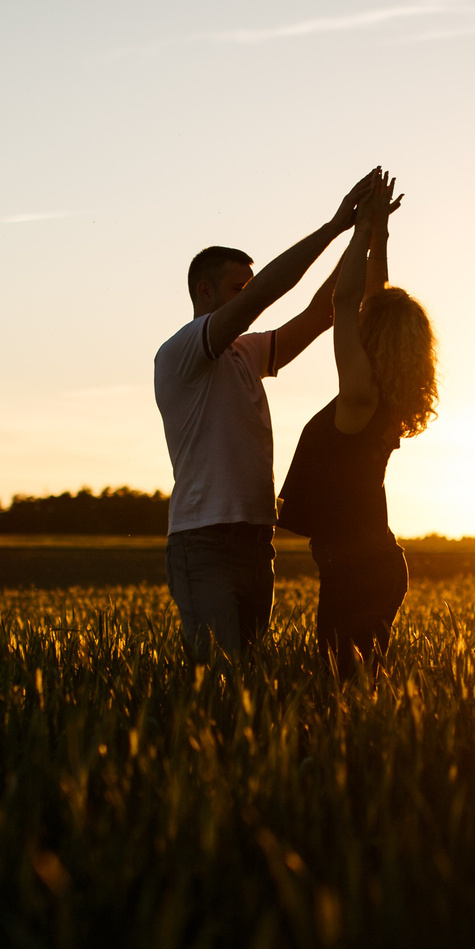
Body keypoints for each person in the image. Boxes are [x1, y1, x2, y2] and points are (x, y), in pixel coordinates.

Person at [153, 167, 387, 664]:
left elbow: (325, 311)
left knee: (250, 681)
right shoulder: (183, 353)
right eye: (239, 288)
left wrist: (368, 232)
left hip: (257, 543)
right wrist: (334, 225)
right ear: (205, 292)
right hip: (205, 543)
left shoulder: (247, 353)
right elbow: (272, 294)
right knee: (217, 681)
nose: (250, 295)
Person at [276, 169, 434, 677]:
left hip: (359, 572)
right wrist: (379, 232)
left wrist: (360, 226)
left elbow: (346, 301)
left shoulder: (361, 396)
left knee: (342, 690)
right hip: (369, 566)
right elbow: (371, 296)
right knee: (354, 687)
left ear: (374, 335)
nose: (360, 318)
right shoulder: (381, 397)